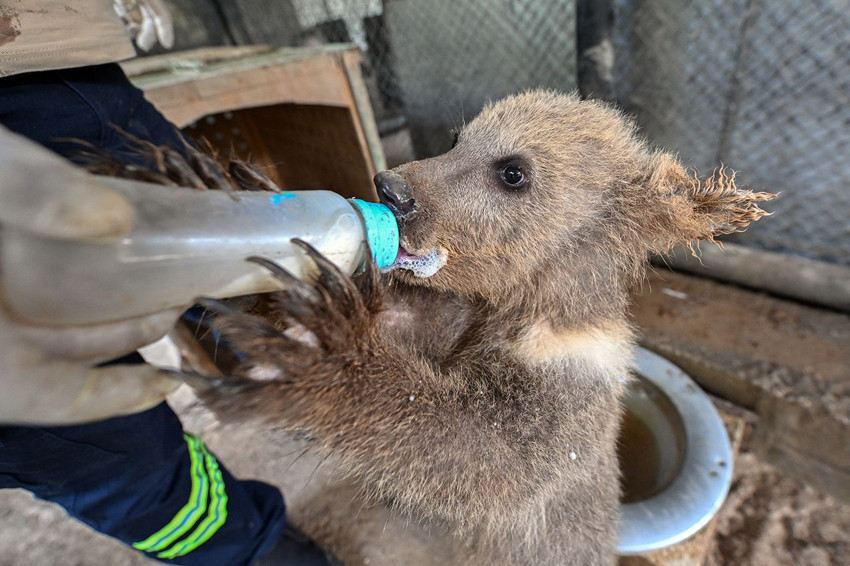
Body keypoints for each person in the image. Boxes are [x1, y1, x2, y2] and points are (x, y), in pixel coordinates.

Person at [0, 1, 337, 564]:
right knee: (118, 458)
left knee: (234, 252)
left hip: (54, 63)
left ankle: (303, 401)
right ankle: (255, 549)